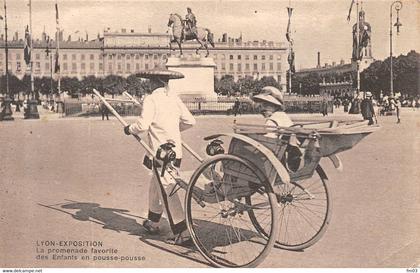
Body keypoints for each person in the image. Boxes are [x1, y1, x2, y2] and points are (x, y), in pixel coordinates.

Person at [123, 69, 196, 246]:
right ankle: (154, 222)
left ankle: (183, 232)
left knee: (167, 190)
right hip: (175, 151)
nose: (148, 84)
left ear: (154, 82)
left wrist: (129, 129)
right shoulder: (174, 98)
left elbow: (143, 125)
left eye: (150, 81)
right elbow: (190, 121)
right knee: (155, 186)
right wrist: (172, 131)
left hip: (161, 153)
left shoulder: (151, 99)